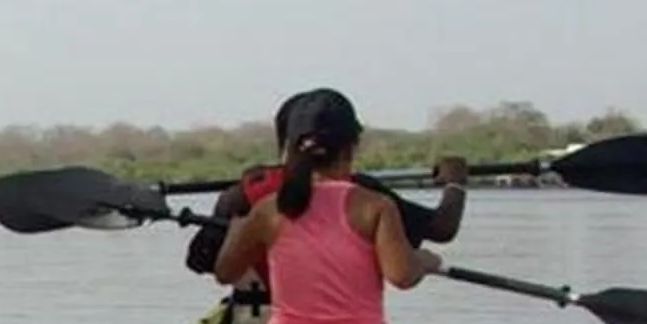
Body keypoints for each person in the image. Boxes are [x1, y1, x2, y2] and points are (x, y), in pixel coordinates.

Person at [210, 89, 441, 324]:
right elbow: (403, 276)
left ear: (291, 147)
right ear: (351, 147)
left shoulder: (269, 210)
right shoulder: (375, 207)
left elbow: (225, 272)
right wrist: (426, 261)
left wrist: (238, 229)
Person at [184, 89, 468, 281]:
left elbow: (202, 262)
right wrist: (456, 183)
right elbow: (441, 229)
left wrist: (238, 230)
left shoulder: (244, 197)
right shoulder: (369, 199)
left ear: (286, 143)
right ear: (351, 146)